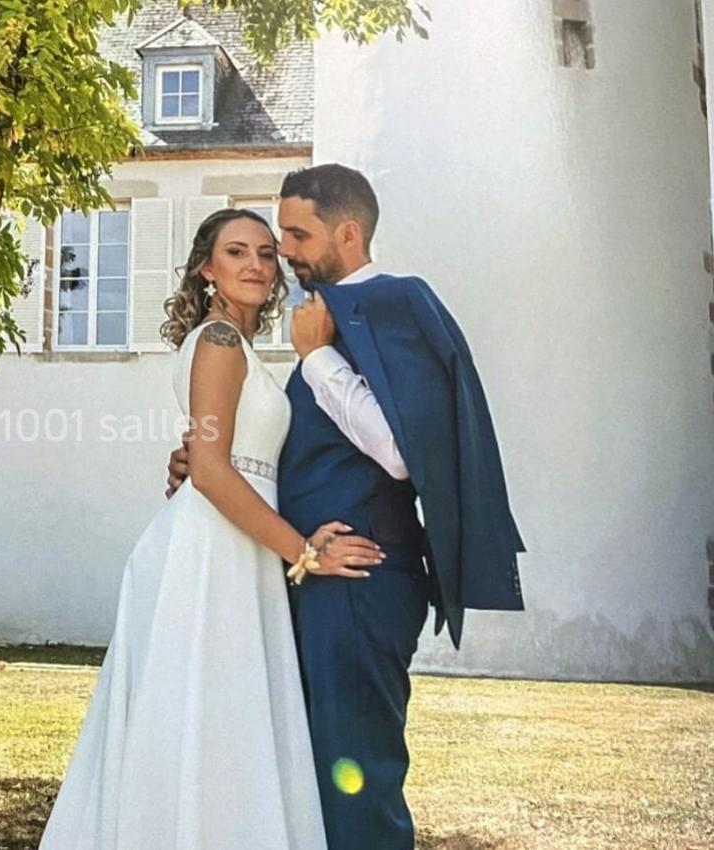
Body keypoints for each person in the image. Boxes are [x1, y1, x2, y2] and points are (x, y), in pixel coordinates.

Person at [167, 164, 525, 850]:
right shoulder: (323, 322)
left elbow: (400, 452)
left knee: (355, 772)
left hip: (359, 576)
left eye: (295, 237)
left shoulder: (395, 302)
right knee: (310, 769)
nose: (285, 256)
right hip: (315, 579)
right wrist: (203, 460)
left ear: (349, 233)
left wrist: (318, 359)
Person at [38, 209, 382, 850]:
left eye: (264, 252)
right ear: (206, 268)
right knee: (205, 719)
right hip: (209, 555)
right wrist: (304, 552)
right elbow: (214, 474)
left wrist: (193, 461)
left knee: (222, 723)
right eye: (235, 252)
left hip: (231, 547)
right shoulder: (220, 340)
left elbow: (210, 456)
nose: (255, 264)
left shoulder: (236, 345)